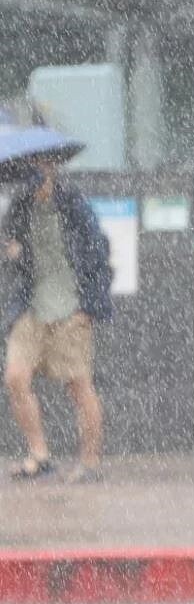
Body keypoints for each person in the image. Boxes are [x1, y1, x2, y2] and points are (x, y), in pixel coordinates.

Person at [2, 160, 113, 483]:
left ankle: (90, 462)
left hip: (70, 310)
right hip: (31, 309)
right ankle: (39, 456)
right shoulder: (20, 208)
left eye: (42, 168)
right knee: (15, 378)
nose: (37, 177)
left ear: (52, 168)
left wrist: (89, 307)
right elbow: (15, 256)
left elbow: (98, 255)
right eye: (32, 169)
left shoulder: (74, 206)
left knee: (79, 387)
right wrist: (12, 252)